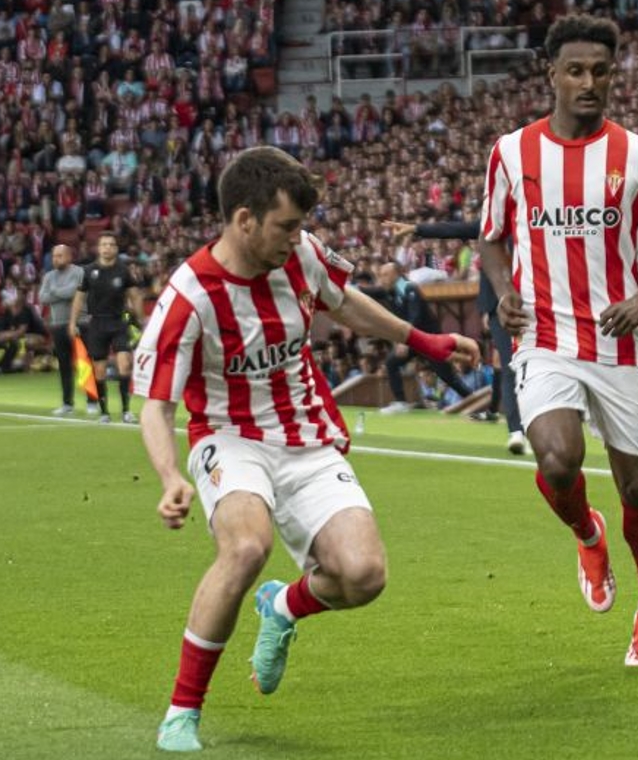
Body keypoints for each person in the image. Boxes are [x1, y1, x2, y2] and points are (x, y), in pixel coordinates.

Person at [132, 146, 479, 752]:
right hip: (229, 438)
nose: (297, 238)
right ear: (244, 220)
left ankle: (284, 609)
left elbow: (346, 304)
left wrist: (426, 340)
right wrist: (168, 478)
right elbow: (155, 406)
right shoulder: (190, 295)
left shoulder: (304, 255)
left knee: (364, 575)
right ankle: (182, 712)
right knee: (246, 548)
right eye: (285, 226)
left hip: (307, 437)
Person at [474, 15, 638, 667]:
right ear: (552, 75)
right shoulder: (512, 153)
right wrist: (503, 291)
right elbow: (490, 237)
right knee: (559, 460)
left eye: (600, 70)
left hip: (617, 345)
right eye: (575, 70)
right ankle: (585, 532)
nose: (589, 82)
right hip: (543, 335)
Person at [383, 219, 529, 455]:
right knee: (508, 364)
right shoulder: (496, 218)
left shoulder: (534, 214)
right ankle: (516, 430)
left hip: (536, 299)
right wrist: (419, 228)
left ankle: (516, 416)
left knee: (517, 364)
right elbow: (456, 228)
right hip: (500, 303)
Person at [369, 260, 474, 413]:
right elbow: (369, 292)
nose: (381, 278)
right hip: (414, 341)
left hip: (429, 340)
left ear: (396, 274)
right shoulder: (390, 291)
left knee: (446, 376)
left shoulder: (409, 288)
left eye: (385, 274)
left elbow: (415, 317)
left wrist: (404, 341)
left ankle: (474, 399)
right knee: (392, 363)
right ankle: (401, 402)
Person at [69, 232, 143, 423]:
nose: (107, 247)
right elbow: (79, 298)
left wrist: (141, 319)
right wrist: (72, 322)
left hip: (119, 322)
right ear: (99, 248)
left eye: (111, 244)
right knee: (99, 371)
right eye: (104, 244)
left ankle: (126, 410)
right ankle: (104, 412)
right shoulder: (89, 271)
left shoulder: (123, 271)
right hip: (97, 324)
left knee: (125, 365)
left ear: (116, 249)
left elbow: (135, 296)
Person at [39, 244, 85, 414]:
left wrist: (55, 292)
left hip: (78, 323)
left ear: (69, 256)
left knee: (84, 363)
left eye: (59, 255)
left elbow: (73, 292)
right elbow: (42, 297)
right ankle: (67, 404)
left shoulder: (78, 272)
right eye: (54, 256)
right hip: (58, 324)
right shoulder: (49, 276)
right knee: (64, 365)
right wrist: (61, 293)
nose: (55, 259)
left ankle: (93, 400)